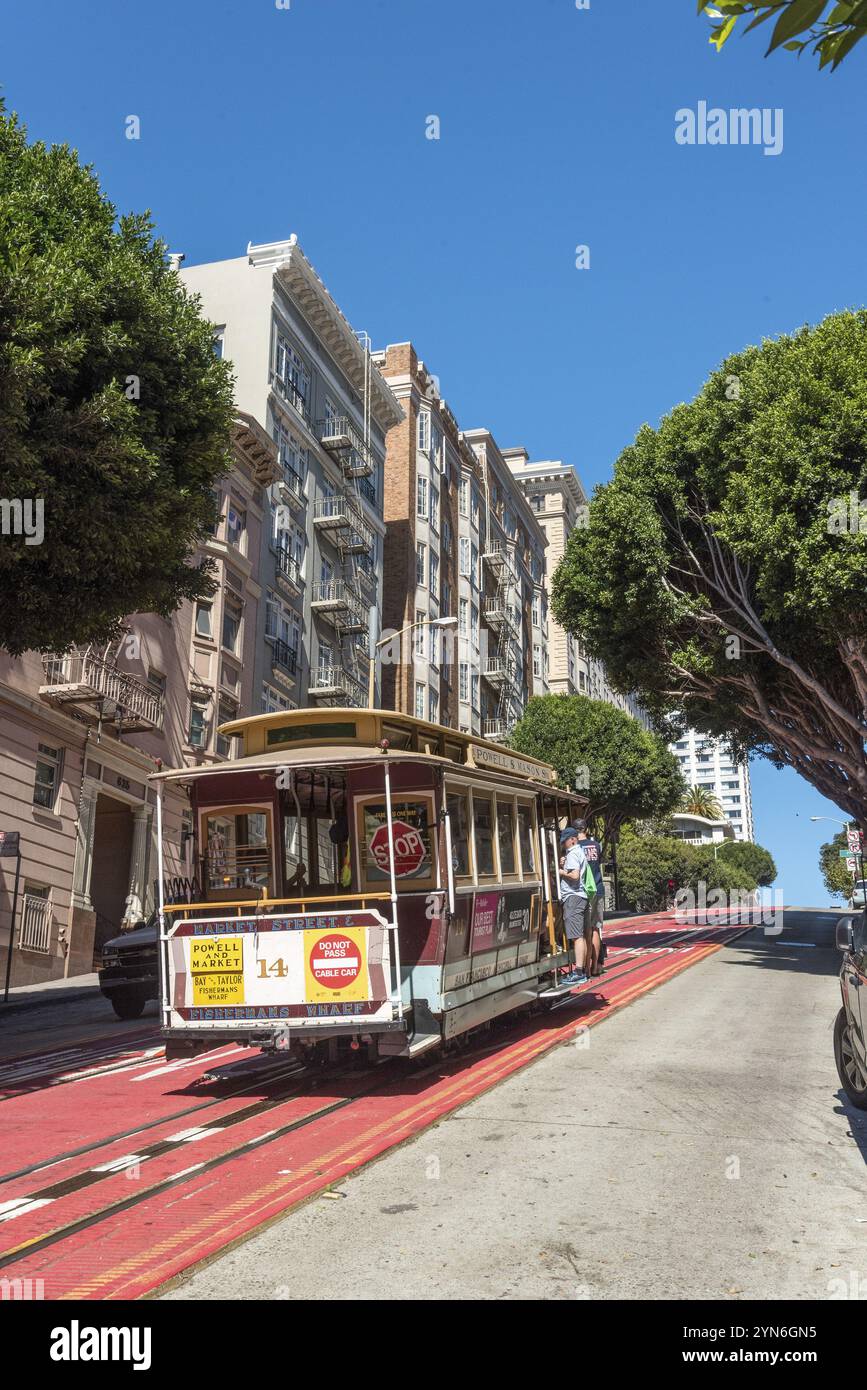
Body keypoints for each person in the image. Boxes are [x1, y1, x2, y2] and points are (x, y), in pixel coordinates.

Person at [559, 827, 589, 985]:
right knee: (580, 936)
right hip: (579, 897)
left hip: (573, 897)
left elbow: (575, 876)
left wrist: (561, 872)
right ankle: (581, 970)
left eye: (565, 841)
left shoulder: (573, 853)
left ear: (572, 839)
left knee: (576, 936)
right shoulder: (578, 852)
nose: (564, 844)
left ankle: (578, 972)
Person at [574, 820, 605, 977]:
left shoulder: (575, 848)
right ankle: (595, 967)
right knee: (595, 928)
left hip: (583, 891)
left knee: (584, 930)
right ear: (585, 829)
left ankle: (584, 968)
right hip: (598, 889)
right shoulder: (596, 845)